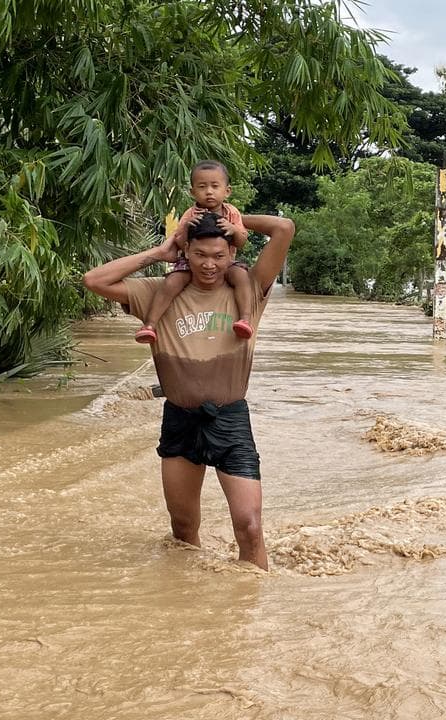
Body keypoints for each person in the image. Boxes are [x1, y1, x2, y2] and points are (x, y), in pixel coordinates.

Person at [83, 211, 295, 570]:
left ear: (232, 255)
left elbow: (284, 228)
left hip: (229, 421)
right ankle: (186, 606)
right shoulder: (159, 293)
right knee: (183, 528)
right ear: (186, 253)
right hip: (180, 421)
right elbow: (93, 280)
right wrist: (159, 253)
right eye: (199, 255)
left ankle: (251, 608)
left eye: (218, 256)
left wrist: (236, 219)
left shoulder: (249, 290)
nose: (209, 265)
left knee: (250, 526)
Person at [134, 160, 256, 344]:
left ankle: (245, 319)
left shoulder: (232, 213)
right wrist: (185, 230)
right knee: (172, 282)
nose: (209, 191)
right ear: (192, 192)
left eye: (215, 186)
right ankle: (149, 325)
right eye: (202, 186)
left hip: (225, 262)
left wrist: (234, 230)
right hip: (189, 263)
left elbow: (242, 241)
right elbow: (182, 244)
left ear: (227, 191)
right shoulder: (190, 214)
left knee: (241, 276)